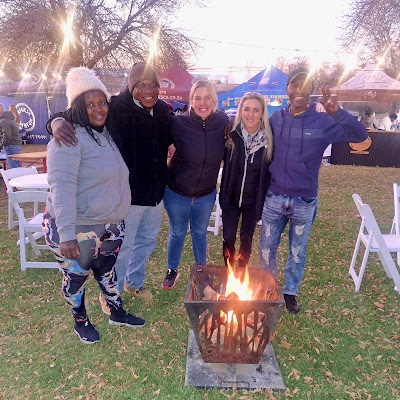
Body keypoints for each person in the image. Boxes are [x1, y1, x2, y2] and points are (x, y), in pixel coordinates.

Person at [48, 62, 172, 306]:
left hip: (156, 195)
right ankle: (111, 296)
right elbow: (75, 112)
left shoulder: (162, 110)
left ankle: (134, 282)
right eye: (141, 85)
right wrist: (55, 122)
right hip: (128, 197)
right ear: (131, 86)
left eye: (153, 85)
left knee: (147, 242)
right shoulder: (115, 106)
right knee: (123, 248)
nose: (148, 90)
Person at [43, 67, 145, 344]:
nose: (99, 109)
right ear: (77, 107)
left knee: (107, 272)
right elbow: (61, 187)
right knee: (76, 278)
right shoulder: (68, 138)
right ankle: (81, 321)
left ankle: (116, 312)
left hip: (109, 223)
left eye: (102, 102)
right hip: (79, 226)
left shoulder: (104, 133)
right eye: (90, 104)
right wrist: (66, 233)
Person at [260, 68, 368, 314]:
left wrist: (336, 112)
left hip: (303, 201)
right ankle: (268, 289)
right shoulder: (276, 119)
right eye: (294, 85)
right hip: (275, 197)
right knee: (266, 249)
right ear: (287, 88)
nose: (299, 90)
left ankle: (290, 291)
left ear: (311, 90)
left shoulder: (322, 121)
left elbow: (359, 135)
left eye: (305, 85)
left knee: (297, 251)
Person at [162, 80, 228, 289]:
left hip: (205, 194)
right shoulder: (178, 123)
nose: (202, 103)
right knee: (177, 232)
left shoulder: (223, 122)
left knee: (200, 233)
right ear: (191, 100)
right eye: (197, 98)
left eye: (207, 98)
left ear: (214, 100)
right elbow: (155, 138)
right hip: (177, 192)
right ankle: (172, 269)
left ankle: (202, 270)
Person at [219, 92, 273, 268]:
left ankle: (242, 273)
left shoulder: (268, 141)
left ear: (262, 113)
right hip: (231, 198)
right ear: (240, 110)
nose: (250, 114)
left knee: (246, 238)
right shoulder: (231, 135)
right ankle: (229, 273)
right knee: (228, 237)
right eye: (247, 109)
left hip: (253, 201)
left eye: (256, 110)